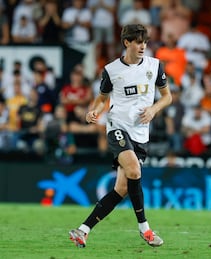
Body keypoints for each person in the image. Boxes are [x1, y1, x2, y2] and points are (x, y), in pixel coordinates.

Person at [69, 24, 172, 248]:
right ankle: (145, 229)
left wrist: (154, 109)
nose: (142, 46)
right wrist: (94, 110)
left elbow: (167, 97)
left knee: (122, 189)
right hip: (118, 126)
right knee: (134, 169)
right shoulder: (111, 70)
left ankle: (83, 230)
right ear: (127, 43)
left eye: (144, 41)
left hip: (141, 134)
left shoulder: (155, 66)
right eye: (137, 41)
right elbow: (101, 98)